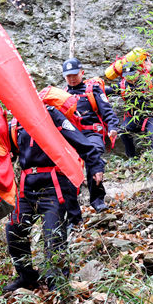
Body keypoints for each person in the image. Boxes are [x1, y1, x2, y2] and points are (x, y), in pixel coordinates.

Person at [4, 105, 103, 292]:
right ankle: (27, 276)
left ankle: (57, 283)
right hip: (26, 188)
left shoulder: (51, 115)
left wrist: (96, 165)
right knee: (14, 230)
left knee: (53, 237)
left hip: (53, 187)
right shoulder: (16, 123)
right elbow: (6, 152)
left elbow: (80, 140)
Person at [62, 58, 118, 213]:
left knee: (94, 157)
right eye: (68, 76)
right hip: (73, 136)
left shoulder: (93, 90)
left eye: (75, 74)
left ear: (82, 72)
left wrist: (112, 127)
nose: (72, 79)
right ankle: (72, 208)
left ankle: (97, 200)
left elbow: (107, 110)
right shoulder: (62, 95)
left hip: (92, 133)